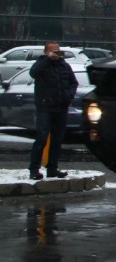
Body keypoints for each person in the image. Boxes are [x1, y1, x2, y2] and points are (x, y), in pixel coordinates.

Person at [27, 41, 78, 180]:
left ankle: (52, 168)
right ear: (46, 52)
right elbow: (33, 73)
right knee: (41, 138)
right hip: (45, 107)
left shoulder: (64, 65)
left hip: (61, 107)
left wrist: (69, 95)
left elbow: (73, 82)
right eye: (52, 50)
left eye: (57, 50)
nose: (56, 53)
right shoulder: (42, 64)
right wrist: (47, 59)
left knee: (57, 139)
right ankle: (34, 169)